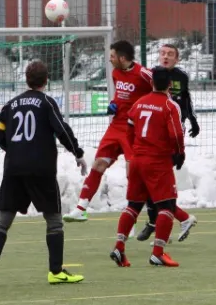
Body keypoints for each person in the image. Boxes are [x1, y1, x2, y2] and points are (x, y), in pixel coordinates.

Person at [0, 60, 86, 286]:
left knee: (4, 219)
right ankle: (55, 271)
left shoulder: (10, 105)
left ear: (26, 80)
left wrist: (17, 150)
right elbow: (61, 129)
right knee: (54, 219)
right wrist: (77, 152)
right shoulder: (47, 103)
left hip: (14, 168)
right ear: (46, 80)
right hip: (41, 168)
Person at [63, 40, 153, 222]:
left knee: (133, 173)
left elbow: (161, 93)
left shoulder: (144, 74)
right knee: (98, 165)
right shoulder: (116, 73)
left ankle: (134, 215)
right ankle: (81, 208)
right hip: (115, 128)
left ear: (122, 57)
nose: (109, 59)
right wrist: (114, 104)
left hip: (133, 131)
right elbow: (120, 96)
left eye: (112, 56)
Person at [110, 67, 185, 268]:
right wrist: (180, 152)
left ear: (152, 83)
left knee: (133, 205)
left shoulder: (138, 103)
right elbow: (176, 135)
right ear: (169, 84)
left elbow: (129, 130)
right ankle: (158, 253)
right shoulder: (170, 106)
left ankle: (119, 247)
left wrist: (134, 151)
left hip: (137, 160)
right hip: (157, 162)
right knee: (167, 206)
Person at [136, 44, 197, 243]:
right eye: (163, 53)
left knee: (155, 184)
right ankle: (170, 220)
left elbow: (186, 100)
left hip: (171, 136)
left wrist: (193, 120)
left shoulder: (181, 77)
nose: (166, 57)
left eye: (170, 54)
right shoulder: (152, 75)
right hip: (155, 135)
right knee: (154, 184)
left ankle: (159, 222)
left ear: (177, 59)